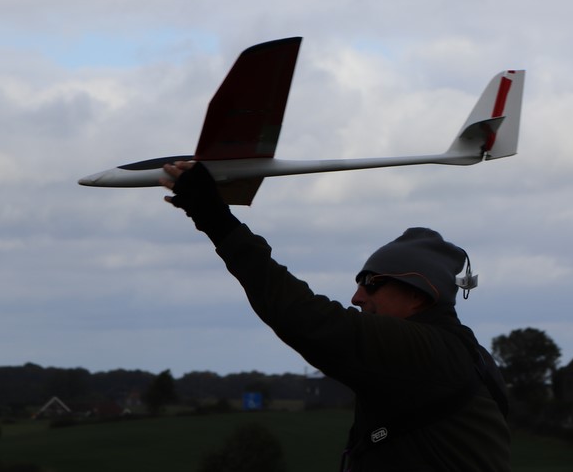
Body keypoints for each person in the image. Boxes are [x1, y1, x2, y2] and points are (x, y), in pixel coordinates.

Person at [161, 161, 510, 471]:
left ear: (419, 293)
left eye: (371, 283)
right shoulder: (470, 357)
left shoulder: (426, 353)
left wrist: (215, 219)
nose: (357, 297)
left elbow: (307, 319)